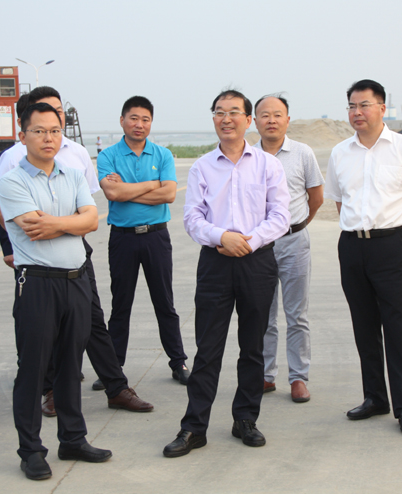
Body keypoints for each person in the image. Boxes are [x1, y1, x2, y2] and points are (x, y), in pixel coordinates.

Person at [0, 87, 152, 419]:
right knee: (44, 334)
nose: (53, 125)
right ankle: (50, 390)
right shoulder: (12, 158)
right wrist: (16, 245)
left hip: (77, 257)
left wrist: (57, 224)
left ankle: (116, 387)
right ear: (26, 126)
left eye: (58, 115)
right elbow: (5, 210)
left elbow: (91, 216)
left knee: (93, 321)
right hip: (38, 264)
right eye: (44, 118)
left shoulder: (76, 154)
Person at [163, 89, 290, 458]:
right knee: (208, 348)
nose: (226, 118)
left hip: (257, 262)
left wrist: (248, 242)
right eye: (219, 112)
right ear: (214, 119)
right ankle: (194, 427)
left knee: (252, 347)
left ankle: (245, 419)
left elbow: (280, 216)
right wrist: (223, 237)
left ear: (248, 120)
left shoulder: (268, 165)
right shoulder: (203, 167)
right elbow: (192, 218)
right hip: (215, 263)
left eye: (234, 112)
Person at [0, 102, 111, 480]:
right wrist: (73, 222)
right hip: (38, 284)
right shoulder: (12, 181)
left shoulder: (74, 174)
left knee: (70, 366)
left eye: (54, 131)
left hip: (76, 281)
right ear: (23, 135)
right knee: (33, 369)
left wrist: (62, 223)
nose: (49, 138)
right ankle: (31, 450)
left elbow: (92, 221)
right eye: (39, 131)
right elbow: (34, 227)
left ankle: (73, 439)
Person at [324, 79, 402, 436]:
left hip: (392, 244)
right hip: (352, 245)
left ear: (382, 108)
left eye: (364, 105)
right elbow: (340, 201)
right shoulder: (340, 153)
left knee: (401, 327)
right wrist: (360, 234)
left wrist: (399, 238)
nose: (357, 112)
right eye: (352, 106)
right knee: (364, 325)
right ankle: (375, 397)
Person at [97, 96, 189, 385]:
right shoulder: (107, 156)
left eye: (145, 119)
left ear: (151, 123)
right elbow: (112, 193)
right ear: (122, 120)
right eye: (134, 118)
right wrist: (152, 185)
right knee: (120, 304)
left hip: (156, 237)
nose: (139, 124)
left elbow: (169, 194)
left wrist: (127, 190)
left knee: (165, 302)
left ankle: (178, 362)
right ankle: (113, 369)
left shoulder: (162, 155)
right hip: (122, 238)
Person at [253, 95, 324, 403]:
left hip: (295, 241)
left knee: (297, 314)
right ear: (254, 121)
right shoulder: (248, 156)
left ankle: (298, 378)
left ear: (287, 120)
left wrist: (297, 225)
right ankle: (266, 375)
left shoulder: (303, 153)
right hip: (260, 246)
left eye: (277, 114)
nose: (271, 120)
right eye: (265, 115)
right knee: (263, 314)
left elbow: (316, 197)